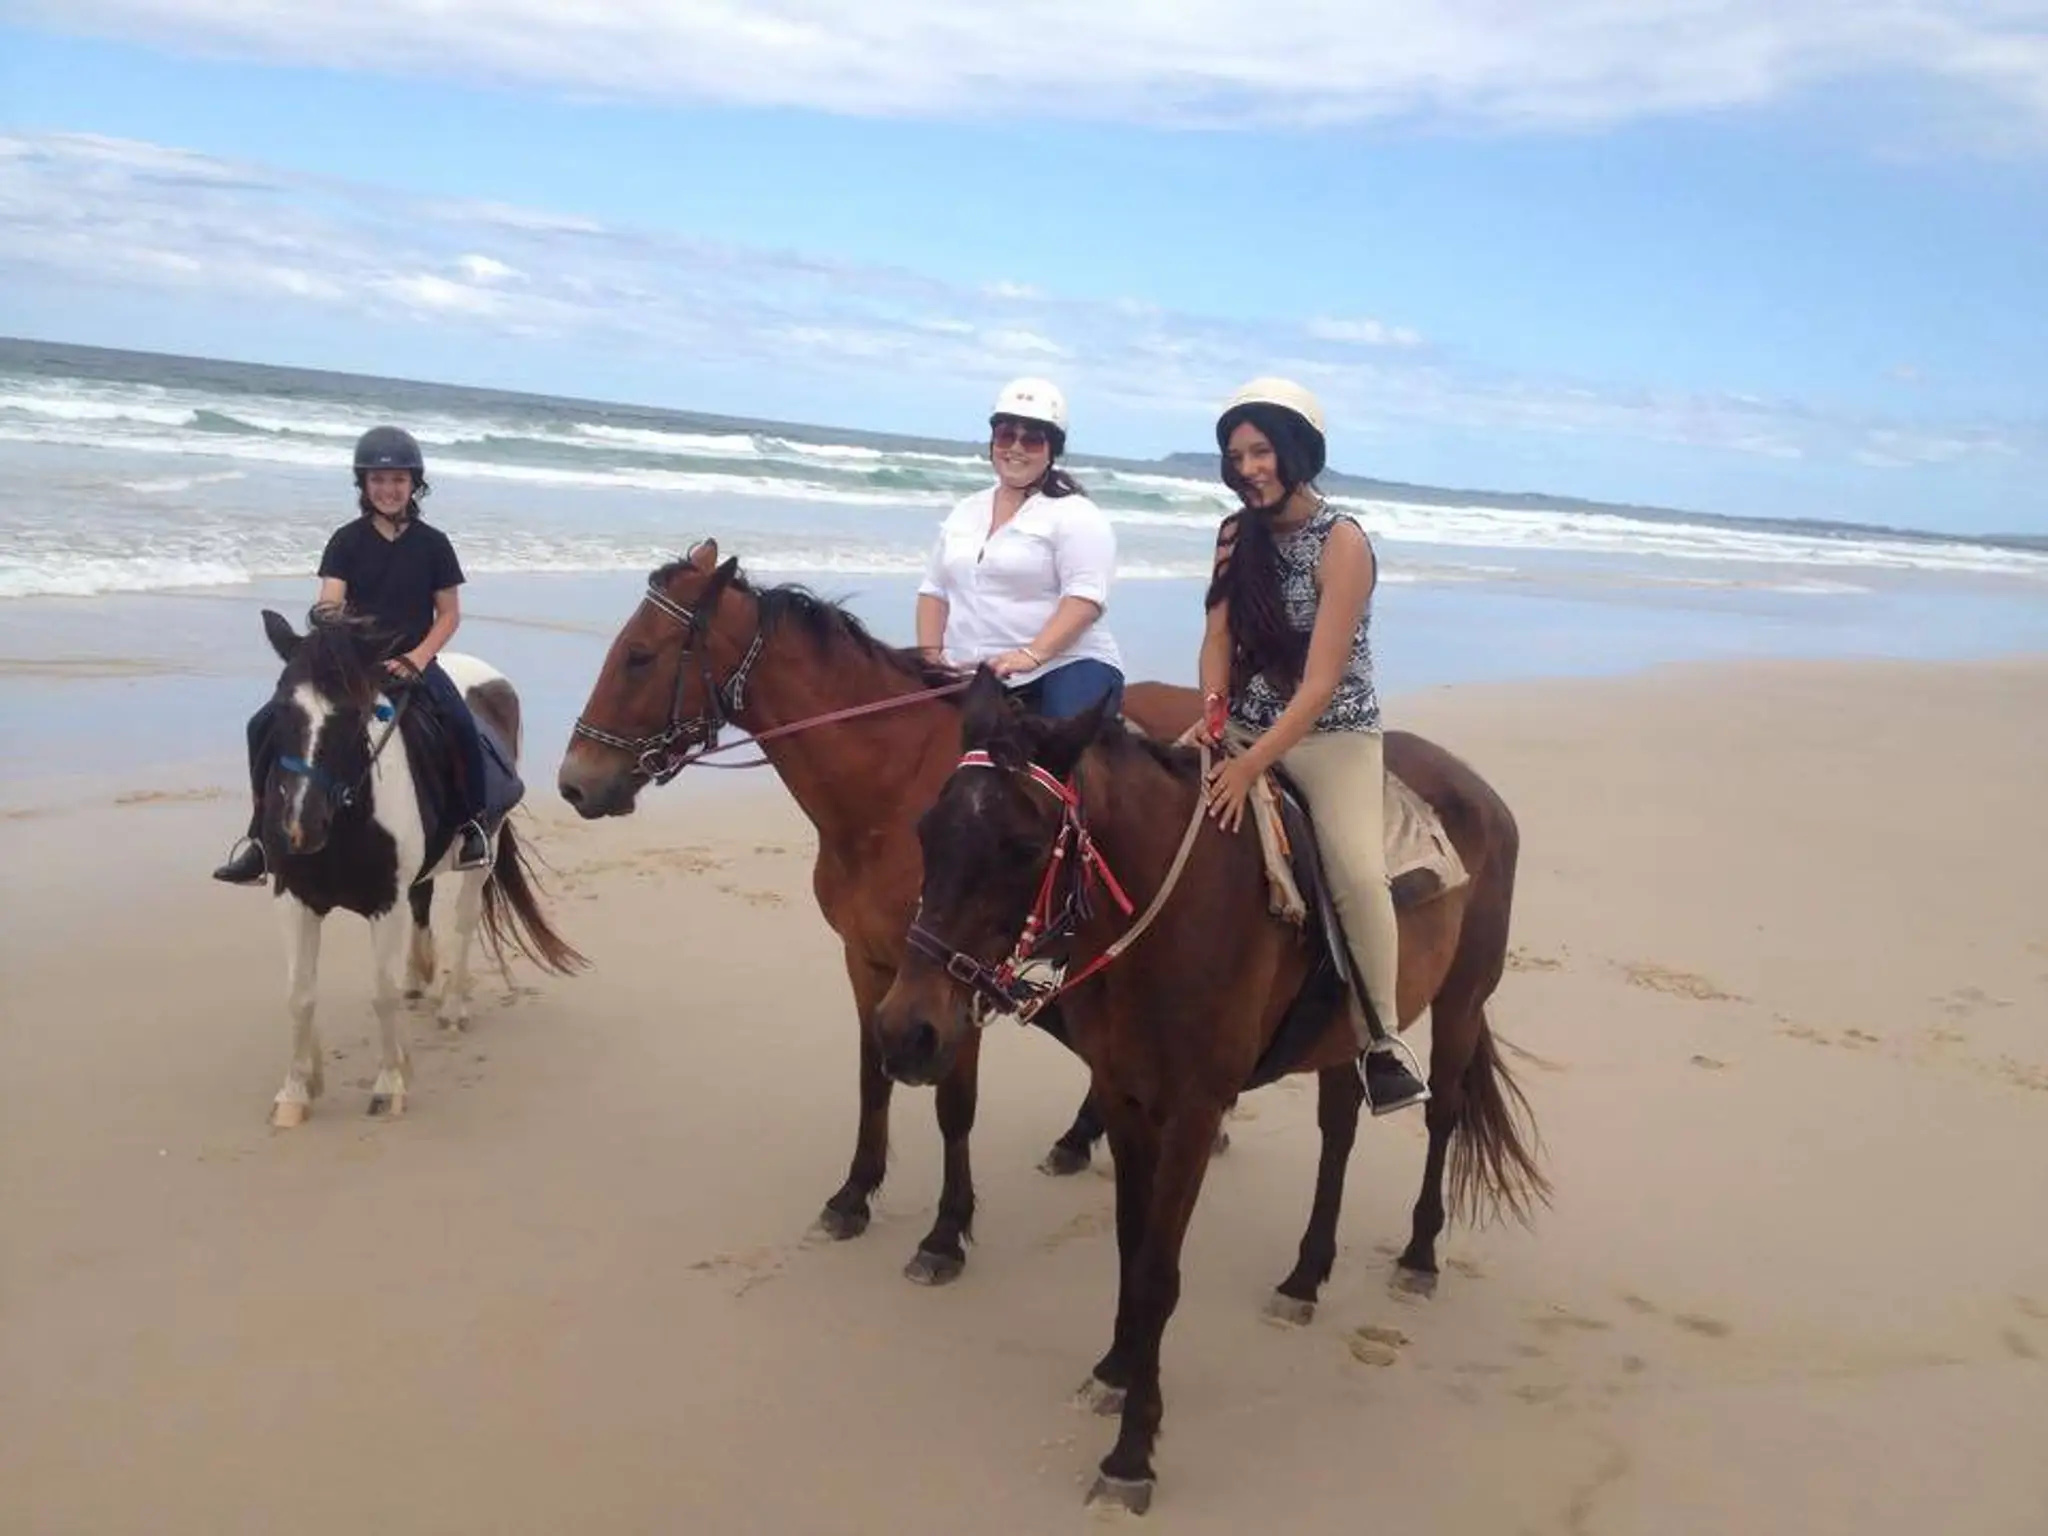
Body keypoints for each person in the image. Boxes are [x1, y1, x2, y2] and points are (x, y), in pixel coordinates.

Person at [1195, 378, 1429, 1115]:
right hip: (1243, 722)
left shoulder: (1344, 542)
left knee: (1359, 875)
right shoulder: (1236, 534)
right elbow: (1218, 637)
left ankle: (1382, 1040)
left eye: (1262, 451)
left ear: (1296, 451)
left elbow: (1322, 683)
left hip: (1331, 736)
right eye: (1237, 455)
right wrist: (1211, 718)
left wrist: (1250, 766)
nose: (1249, 468)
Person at [212, 425, 494, 884]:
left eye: (399, 480)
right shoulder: (346, 541)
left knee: (460, 724)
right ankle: (260, 839)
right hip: (352, 666)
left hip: (412, 663)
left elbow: (448, 616)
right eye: (378, 480)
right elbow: (330, 599)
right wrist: (328, 619)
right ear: (363, 485)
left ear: (414, 485)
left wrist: (417, 658)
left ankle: (471, 825)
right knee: (263, 724)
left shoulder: (434, 545)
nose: (388, 489)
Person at [916, 377, 1125, 720]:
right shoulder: (966, 510)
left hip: (1063, 667)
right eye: (1005, 435)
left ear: (1051, 449)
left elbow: (1085, 599)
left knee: (1055, 750)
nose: (1015, 448)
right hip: (976, 674)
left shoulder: (1076, 514)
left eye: (1031, 439)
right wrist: (930, 657)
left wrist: (1032, 655)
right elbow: (934, 591)